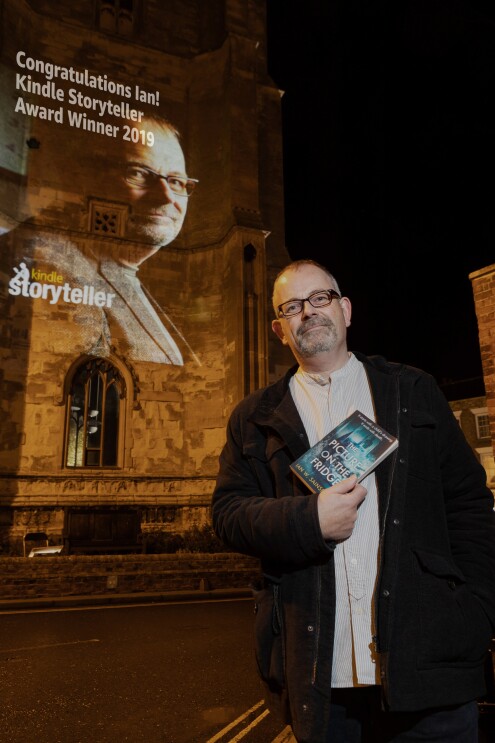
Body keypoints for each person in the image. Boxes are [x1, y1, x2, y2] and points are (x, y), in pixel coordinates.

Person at [212, 259, 495, 743]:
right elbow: (228, 515)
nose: (309, 312)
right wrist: (309, 520)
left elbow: (470, 506)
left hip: (430, 671)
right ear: (281, 330)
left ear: (345, 310)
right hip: (322, 678)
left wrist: (475, 610)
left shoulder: (412, 390)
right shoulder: (254, 417)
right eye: (293, 307)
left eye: (320, 298)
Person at [3, 112, 199, 365]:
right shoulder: (34, 259)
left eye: (176, 182)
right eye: (139, 173)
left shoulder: (122, 272)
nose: (166, 196)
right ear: (84, 178)